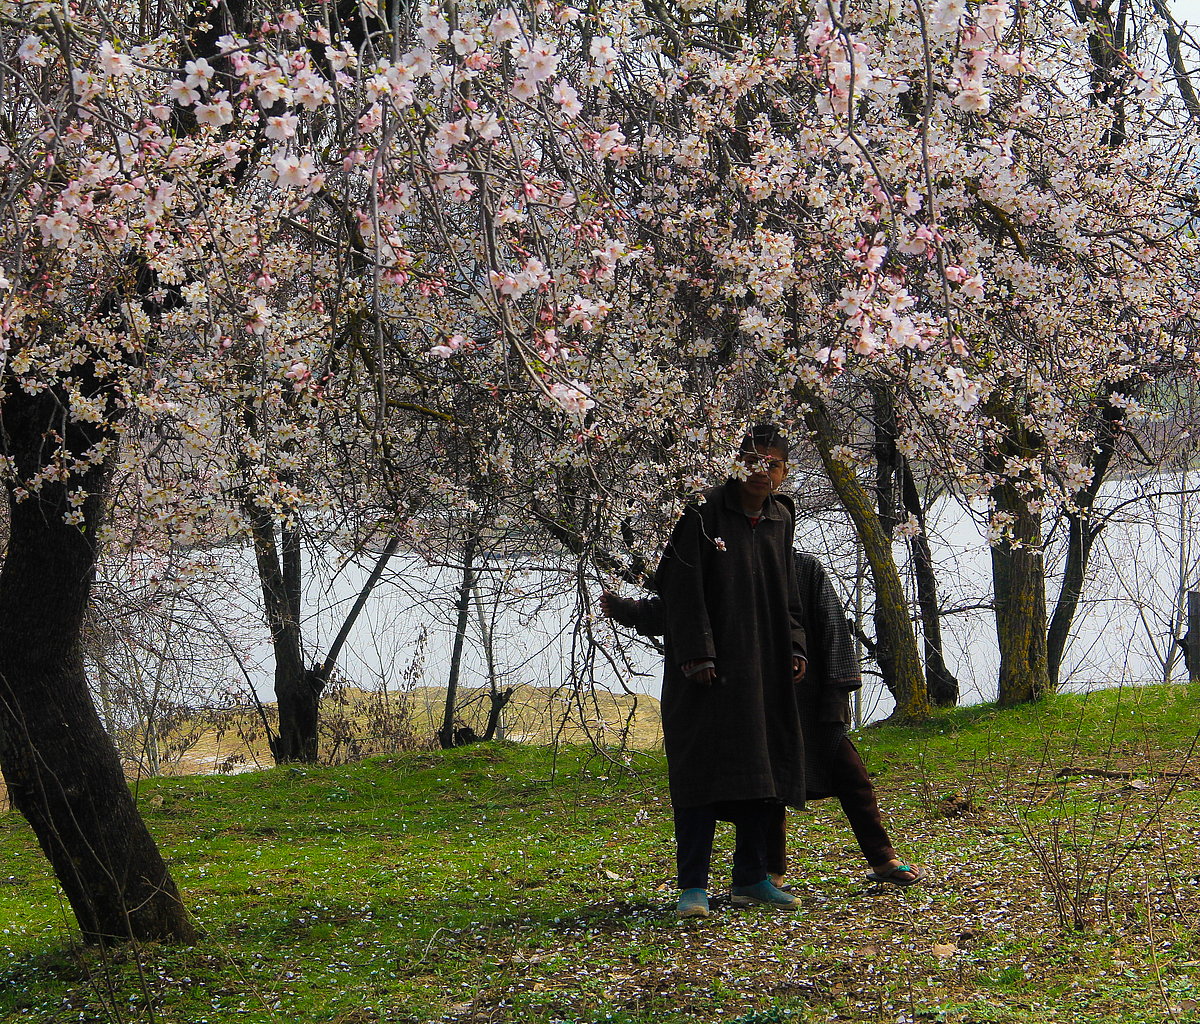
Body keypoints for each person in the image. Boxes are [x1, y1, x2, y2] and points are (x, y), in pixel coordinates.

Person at [603, 460, 925, 911]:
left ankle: (872, 861)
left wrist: (834, 696)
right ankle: (751, 875)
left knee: (824, 779)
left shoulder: (804, 570)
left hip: (804, 702)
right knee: (748, 784)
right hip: (736, 694)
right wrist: (628, 611)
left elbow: (830, 632)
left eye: (772, 466)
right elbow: (680, 610)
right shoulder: (715, 558)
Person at [622, 424, 810, 919]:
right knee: (700, 772)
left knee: (762, 773)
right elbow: (680, 589)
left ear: (784, 472)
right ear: (736, 464)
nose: (760, 472)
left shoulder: (780, 517)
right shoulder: (703, 514)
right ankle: (693, 887)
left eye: (772, 463)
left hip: (764, 665)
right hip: (705, 669)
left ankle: (751, 877)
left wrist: (794, 642)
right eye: (751, 461)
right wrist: (697, 653)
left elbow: (787, 587)